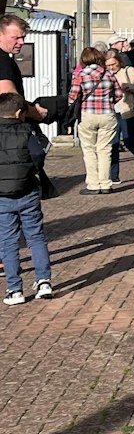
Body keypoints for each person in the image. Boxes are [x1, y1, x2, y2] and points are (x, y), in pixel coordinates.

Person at [0, 92, 53, 304]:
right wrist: (33, 169)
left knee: (8, 241)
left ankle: (14, 289)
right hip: (28, 190)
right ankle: (44, 281)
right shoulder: (26, 130)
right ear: (20, 113)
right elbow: (39, 153)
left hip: (2, 196)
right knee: (36, 237)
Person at [69, 47, 119, 195]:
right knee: (105, 150)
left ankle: (93, 184)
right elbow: (119, 94)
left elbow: (72, 96)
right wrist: (109, 102)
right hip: (108, 114)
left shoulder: (80, 74)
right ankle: (106, 183)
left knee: (89, 150)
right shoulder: (108, 74)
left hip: (88, 114)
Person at [104, 51, 134, 184]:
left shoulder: (128, 71)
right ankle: (114, 176)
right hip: (111, 112)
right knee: (113, 143)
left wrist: (130, 87)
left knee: (129, 141)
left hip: (126, 110)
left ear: (119, 61)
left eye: (114, 64)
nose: (111, 67)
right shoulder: (105, 74)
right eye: (108, 65)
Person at [0, 16, 47, 125]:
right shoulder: (3, 60)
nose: (21, 42)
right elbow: (8, 99)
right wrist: (34, 112)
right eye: (15, 38)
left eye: (23, 37)